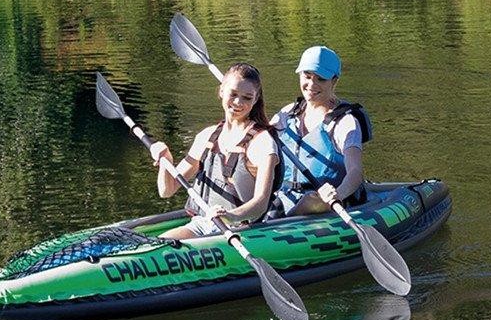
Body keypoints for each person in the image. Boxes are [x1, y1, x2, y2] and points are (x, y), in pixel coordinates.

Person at [150, 63, 279, 239]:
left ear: (255, 100)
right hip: (203, 224)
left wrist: (230, 216)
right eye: (233, 94)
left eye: (247, 98)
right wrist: (165, 160)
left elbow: (261, 203)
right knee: (160, 243)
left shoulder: (262, 142)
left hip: (244, 231)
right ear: (221, 92)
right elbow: (167, 191)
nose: (238, 102)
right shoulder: (206, 136)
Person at [270, 45, 371, 217]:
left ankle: (285, 220)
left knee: (310, 201)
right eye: (307, 76)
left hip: (323, 202)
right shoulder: (287, 114)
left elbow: (355, 173)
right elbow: (260, 139)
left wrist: (337, 194)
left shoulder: (344, 123)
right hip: (284, 196)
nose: (311, 84)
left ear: (334, 81)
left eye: (321, 79)